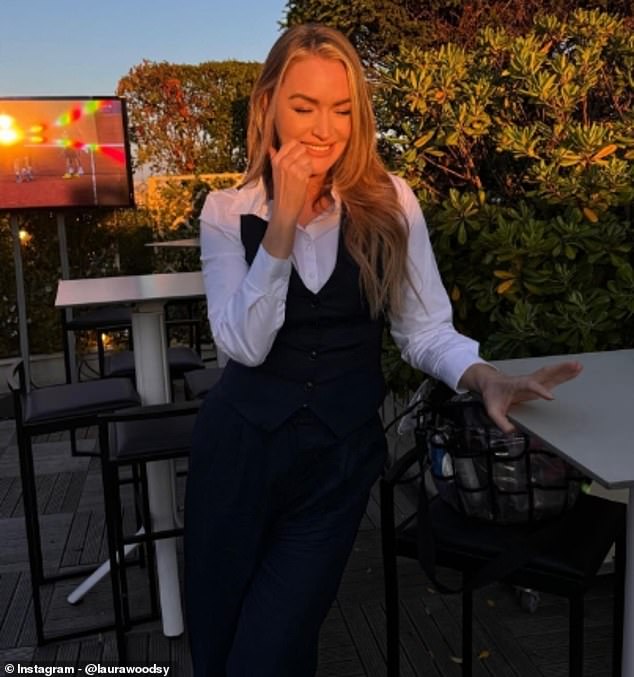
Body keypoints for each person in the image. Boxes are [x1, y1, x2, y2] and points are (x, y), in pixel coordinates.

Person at [184, 23, 581, 677]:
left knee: (265, 652)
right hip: (237, 460)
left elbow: (423, 329)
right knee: (224, 646)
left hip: (335, 468)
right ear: (268, 106)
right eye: (304, 106)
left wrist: (482, 376)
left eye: (342, 108)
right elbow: (242, 347)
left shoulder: (390, 202)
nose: (324, 128)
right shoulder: (225, 211)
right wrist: (281, 222)